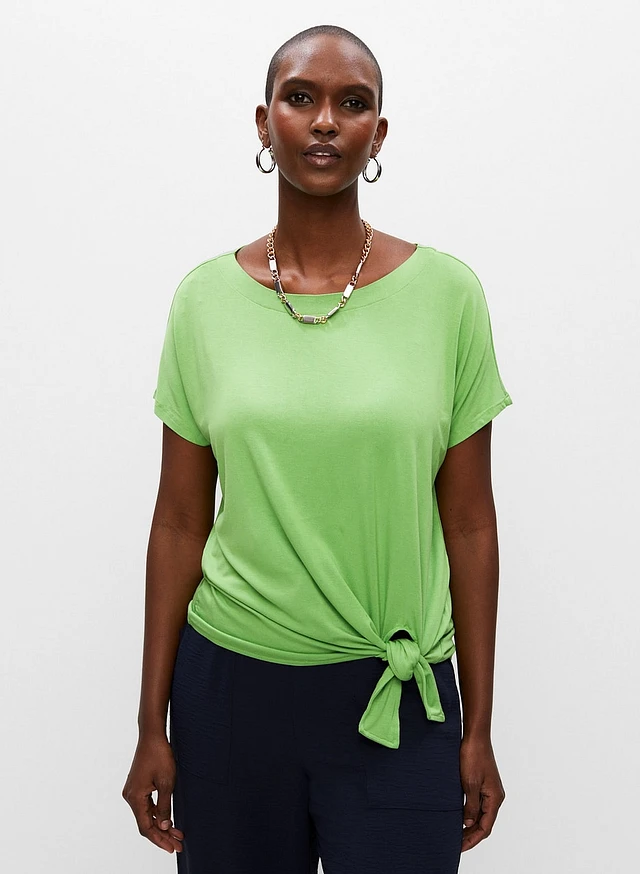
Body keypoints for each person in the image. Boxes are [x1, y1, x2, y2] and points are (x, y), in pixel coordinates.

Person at [122, 23, 512, 874]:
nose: (327, 120)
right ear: (265, 123)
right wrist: (151, 723)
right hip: (231, 692)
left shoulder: (448, 297)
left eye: (352, 103)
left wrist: (479, 725)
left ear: (379, 133)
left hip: (397, 696)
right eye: (301, 98)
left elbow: (470, 524)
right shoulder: (203, 302)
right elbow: (180, 520)